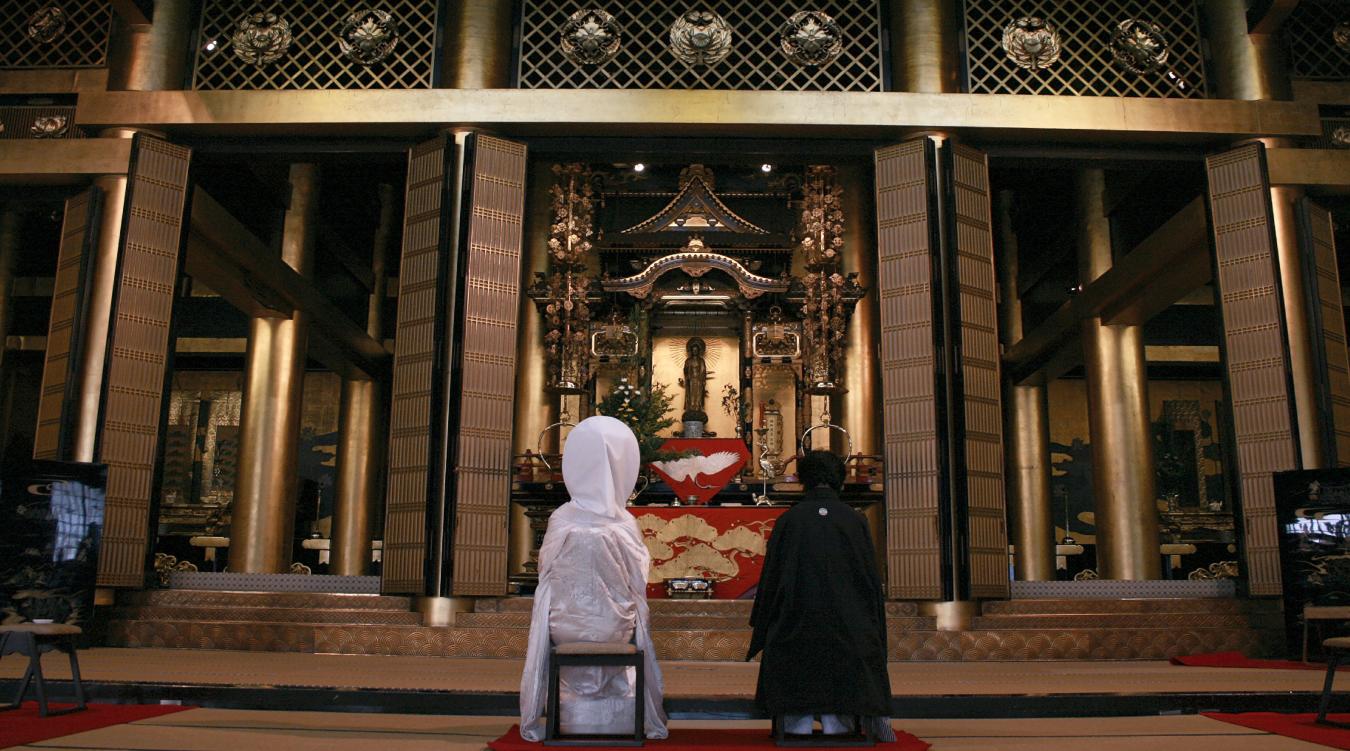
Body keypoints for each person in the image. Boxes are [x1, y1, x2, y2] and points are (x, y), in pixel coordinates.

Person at [519, 416, 669, 741]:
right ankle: (616, 718)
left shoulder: (561, 518)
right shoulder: (623, 522)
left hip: (565, 628)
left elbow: (545, 571)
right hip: (613, 627)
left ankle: (571, 718)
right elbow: (638, 579)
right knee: (623, 613)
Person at [747, 450, 895, 740]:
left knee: (789, 637)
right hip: (849, 627)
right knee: (851, 639)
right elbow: (868, 581)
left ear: (804, 480)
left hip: (795, 625)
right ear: (838, 480)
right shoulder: (855, 521)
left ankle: (796, 720)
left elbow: (771, 582)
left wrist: (764, 624)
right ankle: (838, 719)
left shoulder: (789, 520)